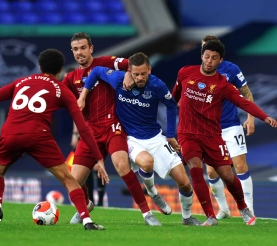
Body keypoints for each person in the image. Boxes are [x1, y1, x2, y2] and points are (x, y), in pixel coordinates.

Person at [0, 49, 108, 230]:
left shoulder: (21, 81)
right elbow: (83, 128)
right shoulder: (62, 89)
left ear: (40, 67)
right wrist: (98, 157)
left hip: (10, 133)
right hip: (38, 135)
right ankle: (87, 221)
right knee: (68, 179)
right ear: (60, 69)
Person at [78, 52, 202, 226]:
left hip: (156, 138)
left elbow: (171, 105)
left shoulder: (157, 85)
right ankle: (152, 192)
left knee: (184, 183)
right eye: (135, 74)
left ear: (149, 70)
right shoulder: (119, 79)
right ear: (129, 71)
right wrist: (83, 96)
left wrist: (171, 135)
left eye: (143, 73)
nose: (140, 77)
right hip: (131, 138)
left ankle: (187, 217)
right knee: (147, 162)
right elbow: (97, 70)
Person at [171, 40, 277, 226]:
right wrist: (174, 110)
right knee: (196, 170)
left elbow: (244, 102)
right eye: (206, 56)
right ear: (201, 56)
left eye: (214, 58)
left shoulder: (223, 85)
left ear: (220, 60)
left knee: (228, 175)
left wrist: (263, 116)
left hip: (212, 134)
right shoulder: (185, 72)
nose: (209, 61)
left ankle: (244, 208)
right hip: (188, 133)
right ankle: (211, 216)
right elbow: (175, 96)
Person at [62, 32, 163, 226]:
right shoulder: (70, 78)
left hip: (112, 126)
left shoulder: (106, 62)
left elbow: (132, 64)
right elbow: (60, 97)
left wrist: (127, 73)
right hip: (89, 132)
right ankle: (87, 204)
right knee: (73, 180)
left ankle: (147, 213)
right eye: (75, 49)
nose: (80, 52)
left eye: (83, 48)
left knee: (121, 165)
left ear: (91, 48)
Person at [202, 35, 255, 219]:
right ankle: (224, 209)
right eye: (204, 52)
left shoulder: (231, 69)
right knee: (210, 170)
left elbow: (246, 93)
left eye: (211, 53)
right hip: (208, 129)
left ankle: (249, 210)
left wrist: (250, 117)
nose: (207, 57)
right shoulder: (195, 73)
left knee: (240, 166)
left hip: (231, 126)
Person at [64, 66, 106, 206]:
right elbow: (77, 117)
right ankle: (91, 200)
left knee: (97, 166)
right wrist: (75, 134)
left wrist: (75, 134)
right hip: (84, 132)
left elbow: (81, 115)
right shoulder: (73, 95)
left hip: (97, 130)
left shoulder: (85, 91)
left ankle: (99, 200)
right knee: (85, 167)